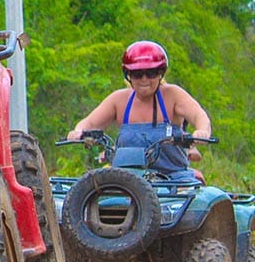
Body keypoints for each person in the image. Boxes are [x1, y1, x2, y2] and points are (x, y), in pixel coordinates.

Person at [66, 40, 212, 180]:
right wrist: (78, 131)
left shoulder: (173, 94)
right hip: (126, 182)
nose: (144, 79)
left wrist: (202, 131)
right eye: (137, 74)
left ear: (160, 73)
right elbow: (90, 123)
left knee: (190, 195)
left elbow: (199, 115)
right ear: (128, 75)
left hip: (173, 179)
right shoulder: (118, 99)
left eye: (151, 73)